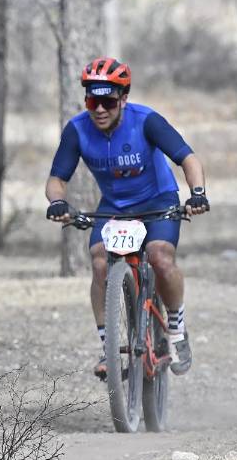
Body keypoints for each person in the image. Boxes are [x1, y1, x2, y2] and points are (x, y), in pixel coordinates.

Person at [45, 57, 209, 378]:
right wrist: (57, 202)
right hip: (114, 206)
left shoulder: (146, 121)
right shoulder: (78, 129)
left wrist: (198, 192)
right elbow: (56, 180)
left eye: (108, 101)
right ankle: (109, 348)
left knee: (160, 257)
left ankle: (175, 327)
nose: (100, 109)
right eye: (93, 100)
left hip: (158, 199)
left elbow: (187, 158)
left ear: (123, 99)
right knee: (98, 261)